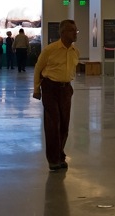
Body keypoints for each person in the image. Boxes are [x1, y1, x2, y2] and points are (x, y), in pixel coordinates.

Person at [33, 19, 80, 171]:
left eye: (75, 30)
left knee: (64, 124)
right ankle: (53, 159)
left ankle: (60, 154)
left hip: (66, 89)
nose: (75, 33)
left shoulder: (74, 51)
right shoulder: (50, 50)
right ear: (63, 33)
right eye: (72, 30)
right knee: (53, 123)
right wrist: (36, 89)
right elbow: (38, 68)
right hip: (50, 88)